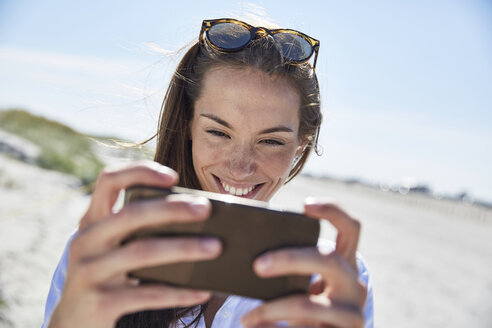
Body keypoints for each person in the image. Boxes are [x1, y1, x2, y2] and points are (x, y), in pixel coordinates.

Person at [42, 18, 374, 328]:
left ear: (301, 145)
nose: (239, 167)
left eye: (271, 141)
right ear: (187, 125)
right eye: (218, 133)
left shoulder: (333, 279)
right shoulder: (104, 251)